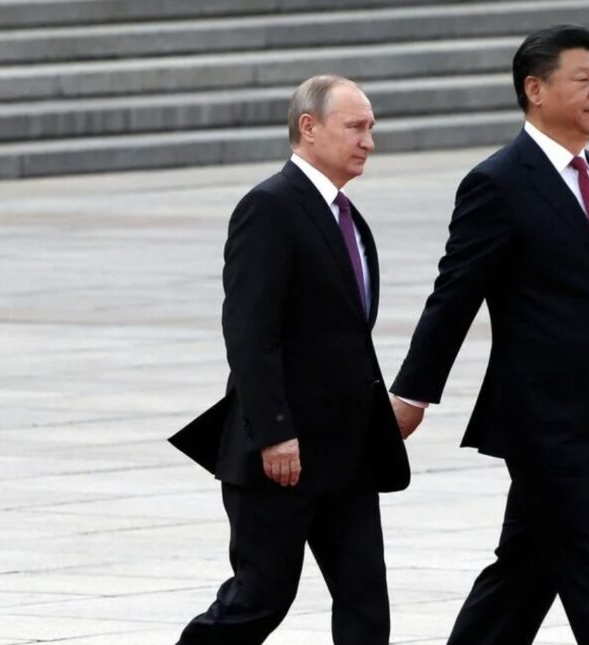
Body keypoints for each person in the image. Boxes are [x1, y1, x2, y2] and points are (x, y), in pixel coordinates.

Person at [390, 24, 589, 645]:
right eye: (583, 79)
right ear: (535, 90)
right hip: (544, 421)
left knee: (526, 570)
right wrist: (413, 394)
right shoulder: (498, 182)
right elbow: (454, 295)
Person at [169, 74, 409, 645]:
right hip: (285, 455)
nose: (368, 140)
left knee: (366, 603)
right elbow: (250, 333)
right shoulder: (270, 207)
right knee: (259, 600)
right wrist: (275, 432)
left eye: (371, 128)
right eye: (355, 127)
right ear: (309, 127)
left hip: (348, 451)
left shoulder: (345, 215)